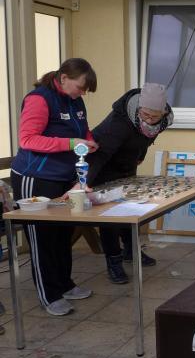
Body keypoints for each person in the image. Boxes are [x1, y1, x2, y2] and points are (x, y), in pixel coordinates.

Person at [10, 58, 98, 316]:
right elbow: (28, 140)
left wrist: (89, 141)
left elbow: (82, 130)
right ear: (64, 78)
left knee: (62, 234)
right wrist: (71, 144)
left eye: (85, 90)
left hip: (64, 177)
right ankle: (49, 294)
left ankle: (64, 284)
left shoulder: (75, 99)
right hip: (35, 177)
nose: (82, 93)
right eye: (80, 87)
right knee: (42, 238)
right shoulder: (39, 99)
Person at [86, 83, 173, 283]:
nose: (149, 120)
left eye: (154, 117)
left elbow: (147, 138)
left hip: (126, 164)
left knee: (129, 208)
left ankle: (131, 251)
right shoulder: (120, 121)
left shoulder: (162, 120)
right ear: (139, 108)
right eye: (145, 115)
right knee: (110, 215)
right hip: (102, 165)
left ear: (163, 113)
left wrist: (140, 156)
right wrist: (84, 183)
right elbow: (101, 154)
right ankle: (114, 262)